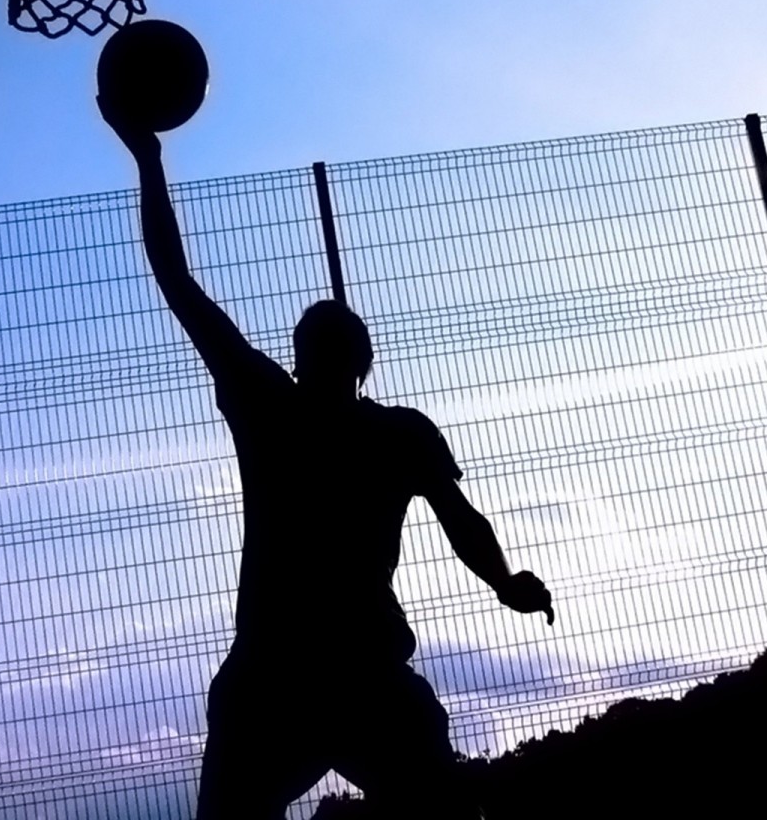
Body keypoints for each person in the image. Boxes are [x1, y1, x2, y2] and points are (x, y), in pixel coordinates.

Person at [101, 103, 555, 820]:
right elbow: (463, 523)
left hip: (274, 675)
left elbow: (177, 281)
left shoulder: (269, 406)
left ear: (298, 357)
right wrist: (505, 583)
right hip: (362, 673)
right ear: (365, 366)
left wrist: (149, 163)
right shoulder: (400, 433)